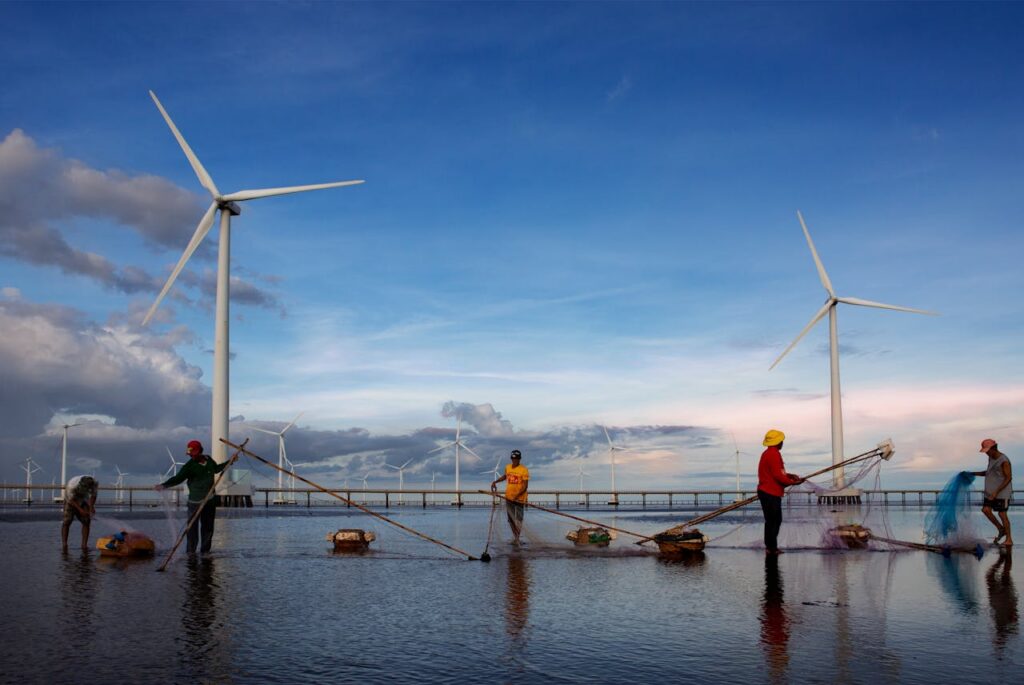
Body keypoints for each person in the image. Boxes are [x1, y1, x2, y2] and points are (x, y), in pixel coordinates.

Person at [154, 440, 228, 554]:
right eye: (190, 454)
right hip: (195, 502)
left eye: (194, 453)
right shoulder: (189, 466)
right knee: (192, 529)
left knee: (208, 528)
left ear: (200, 451)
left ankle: (205, 552)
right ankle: (191, 553)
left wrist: (229, 462)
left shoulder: (208, 460)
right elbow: (178, 478)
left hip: (209, 500)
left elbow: (216, 468)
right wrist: (164, 485)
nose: (192, 456)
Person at [757, 429, 803, 554]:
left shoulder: (768, 453)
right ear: (778, 442)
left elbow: (777, 472)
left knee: (774, 520)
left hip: (768, 492)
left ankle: (771, 547)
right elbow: (778, 476)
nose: (782, 443)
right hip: (769, 492)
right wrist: (793, 482)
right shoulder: (773, 454)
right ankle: (771, 548)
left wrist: (790, 475)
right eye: (781, 441)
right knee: (773, 521)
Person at [973, 438, 1013, 546]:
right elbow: (989, 473)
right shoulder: (991, 459)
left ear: (993, 448)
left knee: (1002, 513)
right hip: (990, 492)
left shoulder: (1003, 460)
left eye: (987, 451)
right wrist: (973, 473)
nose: (986, 453)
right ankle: (1001, 529)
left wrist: (996, 492)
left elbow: (1008, 478)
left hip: (1002, 492)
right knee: (986, 510)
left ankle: (1009, 539)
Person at [491, 449, 529, 544]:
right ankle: (516, 537)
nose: (515, 460)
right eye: (513, 459)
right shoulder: (508, 467)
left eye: (516, 459)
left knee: (519, 519)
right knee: (511, 519)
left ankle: (517, 537)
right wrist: (495, 481)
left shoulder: (524, 470)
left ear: (519, 459)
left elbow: (525, 486)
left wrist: (517, 495)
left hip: (519, 499)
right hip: (509, 497)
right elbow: (505, 476)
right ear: (511, 459)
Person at [61, 475, 98, 552]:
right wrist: (80, 510)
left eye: (88, 488)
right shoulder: (72, 485)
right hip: (71, 500)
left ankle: (84, 545)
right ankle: (65, 544)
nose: (87, 489)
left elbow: (93, 496)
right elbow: (71, 500)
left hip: (83, 499)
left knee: (87, 521)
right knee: (67, 521)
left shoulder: (94, 483)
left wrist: (91, 507)